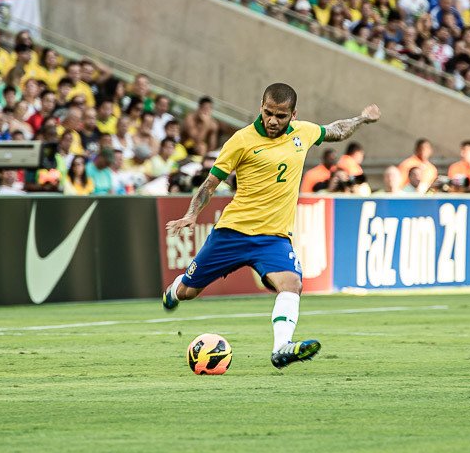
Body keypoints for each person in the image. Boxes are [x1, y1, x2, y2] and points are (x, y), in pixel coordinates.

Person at [163, 83, 380, 369]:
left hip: (273, 238)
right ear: (261, 107)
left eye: (281, 115)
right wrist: (192, 213)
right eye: (268, 113)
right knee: (188, 292)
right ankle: (175, 288)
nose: (273, 120)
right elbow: (210, 184)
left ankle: (281, 348)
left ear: (293, 114)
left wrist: (362, 118)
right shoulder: (241, 140)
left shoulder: (303, 132)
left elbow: (336, 130)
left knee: (292, 283)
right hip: (232, 232)